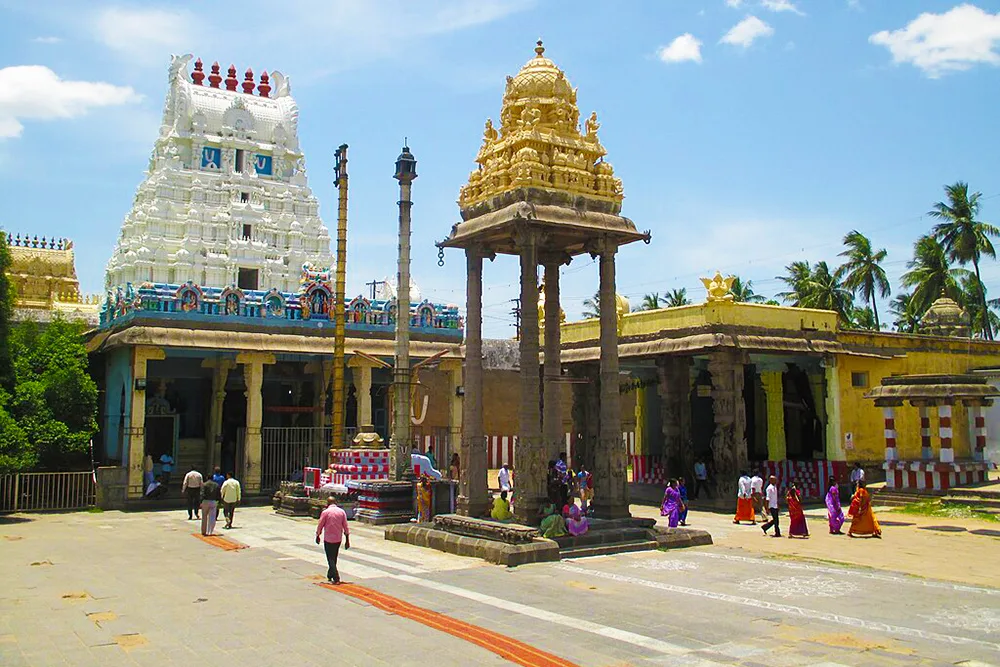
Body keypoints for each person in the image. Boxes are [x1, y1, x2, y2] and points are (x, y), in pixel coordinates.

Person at [316, 497, 350, 584]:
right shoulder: (341, 512)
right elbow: (345, 526)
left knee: (330, 558)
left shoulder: (325, 512)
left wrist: (318, 535)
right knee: (334, 557)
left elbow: (320, 524)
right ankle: (330, 574)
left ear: (328, 503)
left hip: (328, 539)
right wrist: (347, 540)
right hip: (338, 539)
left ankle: (336, 577)